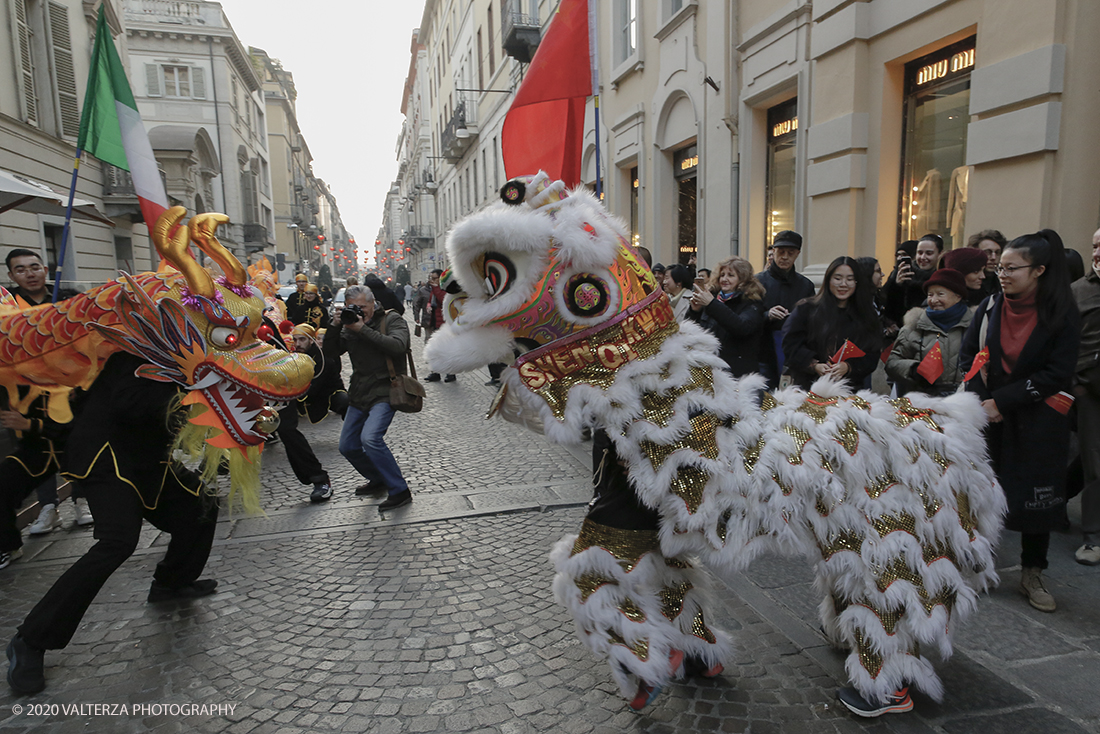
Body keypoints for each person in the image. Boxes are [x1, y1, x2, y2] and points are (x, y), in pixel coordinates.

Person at [5, 352, 220, 695]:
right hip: (106, 454)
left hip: (148, 456)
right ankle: (30, 639)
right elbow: (130, 404)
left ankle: (170, 582)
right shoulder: (134, 352)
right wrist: (193, 392)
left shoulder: (174, 352)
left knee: (200, 506)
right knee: (117, 541)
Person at [959, 229, 1080, 612]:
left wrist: (1003, 401)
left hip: (1039, 419)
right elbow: (967, 360)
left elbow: (1057, 373)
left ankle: (1032, 572)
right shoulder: (990, 307)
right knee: (982, 494)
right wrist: (982, 403)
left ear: (1040, 270)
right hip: (989, 419)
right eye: (1001, 268)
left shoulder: (1061, 314)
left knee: (1036, 499)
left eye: (1013, 268)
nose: (1003, 274)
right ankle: (978, 566)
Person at [3, 249, 90, 529]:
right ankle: (48, 507)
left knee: (79, 445)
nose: (30, 274)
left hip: (71, 386)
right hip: (28, 392)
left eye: (34, 267)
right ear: (11, 276)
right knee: (35, 448)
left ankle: (81, 500)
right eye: (21, 269)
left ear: (45, 269)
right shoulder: (9, 308)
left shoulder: (68, 299)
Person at [332, 285, 413, 510]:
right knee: (347, 446)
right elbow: (331, 352)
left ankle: (399, 490)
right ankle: (378, 478)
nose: (358, 311)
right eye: (352, 307)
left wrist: (361, 329)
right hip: (359, 392)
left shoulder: (391, 319)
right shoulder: (349, 323)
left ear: (373, 302)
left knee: (370, 438)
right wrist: (335, 325)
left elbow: (398, 346)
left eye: (362, 307)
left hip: (386, 389)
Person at [782, 256, 882, 391]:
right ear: (828, 280)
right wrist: (814, 365)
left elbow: (872, 354)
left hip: (849, 391)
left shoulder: (866, 314)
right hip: (808, 388)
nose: (843, 284)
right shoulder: (806, 309)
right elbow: (790, 344)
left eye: (850, 279)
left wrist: (848, 366)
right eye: (838, 278)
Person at [886, 268, 974, 397]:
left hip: (963, 399)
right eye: (930, 295)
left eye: (940, 294)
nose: (933, 300)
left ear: (958, 296)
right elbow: (892, 363)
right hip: (923, 401)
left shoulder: (974, 326)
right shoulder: (914, 326)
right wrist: (913, 369)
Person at [1071, 227, 1100, 565]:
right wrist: (1077, 384)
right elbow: (1066, 343)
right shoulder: (1078, 292)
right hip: (1091, 391)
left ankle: (1058, 498)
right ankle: (1092, 538)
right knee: (1095, 461)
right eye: (1094, 246)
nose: (1097, 253)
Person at [685, 257, 766, 377]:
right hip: (709, 369)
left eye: (730, 275)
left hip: (736, 372)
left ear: (743, 279)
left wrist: (712, 304)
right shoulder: (712, 299)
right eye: (722, 275)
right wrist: (694, 311)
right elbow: (693, 332)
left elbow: (741, 327)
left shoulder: (752, 303)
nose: (724, 279)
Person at [756, 231, 815, 388]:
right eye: (781, 252)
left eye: (790, 253)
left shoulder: (806, 285)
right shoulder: (757, 281)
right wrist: (767, 314)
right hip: (764, 349)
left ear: (797, 254)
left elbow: (812, 319)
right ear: (773, 251)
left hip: (794, 349)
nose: (784, 257)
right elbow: (746, 316)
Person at [884, 235, 942, 324]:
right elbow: (890, 311)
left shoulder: (943, 278)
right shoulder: (902, 272)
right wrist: (897, 286)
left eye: (929, 253)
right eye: (920, 252)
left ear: (939, 254)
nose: (923, 257)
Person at [422, 269, 456, 383]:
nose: (431, 280)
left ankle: (450, 373)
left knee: (446, 349)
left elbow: (443, 299)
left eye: (434, 278)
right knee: (435, 349)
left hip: (444, 323)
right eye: (430, 278)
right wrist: (428, 305)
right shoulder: (433, 289)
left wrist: (436, 287)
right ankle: (435, 372)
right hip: (435, 322)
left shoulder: (445, 288)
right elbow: (432, 300)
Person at [968, 229, 1006, 298]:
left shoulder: (1003, 281)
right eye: (987, 252)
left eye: (997, 252)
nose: (993, 257)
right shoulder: (967, 281)